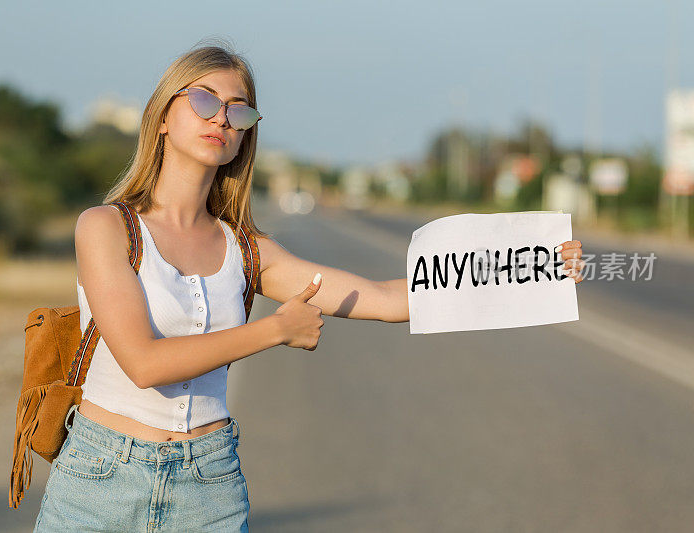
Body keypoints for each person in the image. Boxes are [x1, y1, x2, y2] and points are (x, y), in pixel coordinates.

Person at [33, 41, 586, 532]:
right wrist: (274, 329)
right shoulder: (106, 227)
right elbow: (144, 363)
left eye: (238, 110)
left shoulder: (247, 251)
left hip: (209, 486)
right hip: (101, 479)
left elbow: (389, 298)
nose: (221, 118)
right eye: (203, 100)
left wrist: (528, 266)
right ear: (161, 117)